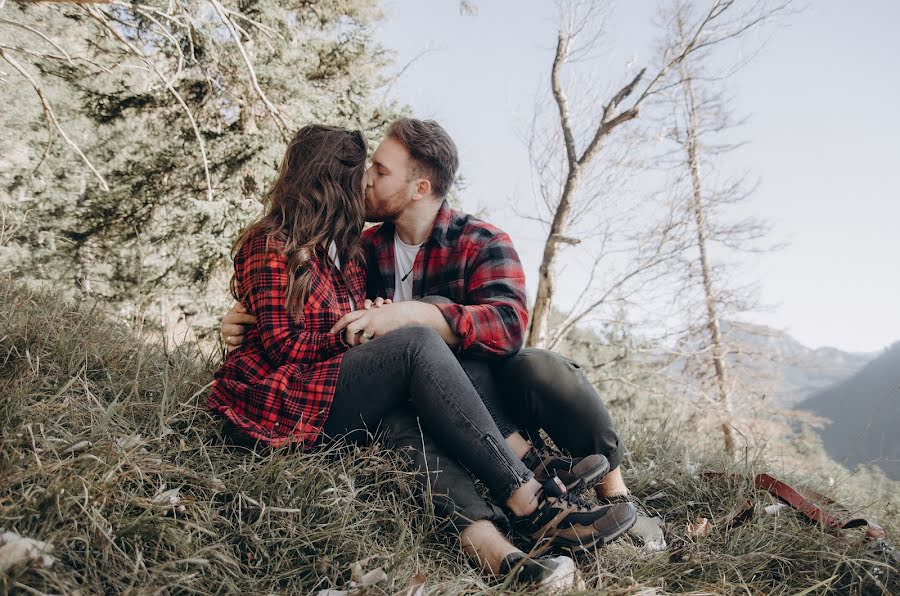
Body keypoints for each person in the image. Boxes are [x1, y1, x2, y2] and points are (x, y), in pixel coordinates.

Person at [209, 123, 633, 590]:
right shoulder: (324, 245)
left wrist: (403, 316)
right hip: (295, 395)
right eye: (364, 169)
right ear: (331, 181)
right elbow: (292, 337)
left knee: (416, 405)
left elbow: (507, 327)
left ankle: (508, 556)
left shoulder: (449, 243)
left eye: (379, 169)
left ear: (420, 188)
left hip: (447, 390)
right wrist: (363, 330)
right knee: (416, 349)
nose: (369, 179)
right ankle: (531, 495)